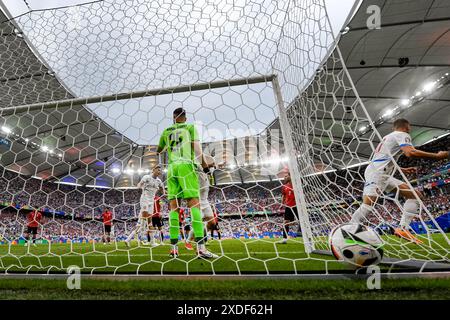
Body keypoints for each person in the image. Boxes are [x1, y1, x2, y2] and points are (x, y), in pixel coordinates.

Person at [350, 118, 449, 244]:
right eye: (409, 127)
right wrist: (436, 156)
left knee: (415, 195)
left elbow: (384, 157)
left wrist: (402, 169)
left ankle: (403, 229)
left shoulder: (388, 137)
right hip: (378, 173)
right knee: (368, 205)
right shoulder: (403, 135)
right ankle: (349, 231)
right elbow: (410, 152)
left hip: (382, 172)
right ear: (407, 127)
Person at [157, 107, 218, 258]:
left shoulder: (166, 130)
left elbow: (159, 150)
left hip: (171, 169)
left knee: (174, 208)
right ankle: (202, 249)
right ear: (185, 117)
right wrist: (205, 167)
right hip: (186, 166)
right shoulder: (190, 127)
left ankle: (173, 249)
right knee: (194, 204)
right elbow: (197, 149)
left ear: (173, 117)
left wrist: (169, 146)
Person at [125, 165, 164, 247]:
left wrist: (167, 193)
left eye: (160, 170)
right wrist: (139, 186)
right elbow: (140, 183)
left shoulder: (159, 181)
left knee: (142, 223)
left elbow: (162, 190)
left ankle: (128, 239)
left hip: (151, 202)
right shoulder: (147, 177)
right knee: (148, 221)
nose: (159, 171)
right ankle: (151, 241)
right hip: (144, 199)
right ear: (153, 170)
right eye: (158, 170)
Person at [278, 172, 299, 244]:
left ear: (291, 176)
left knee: (302, 221)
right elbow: (283, 196)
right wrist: (282, 203)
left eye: (286, 176)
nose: (284, 178)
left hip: (297, 206)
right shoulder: (284, 186)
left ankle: (308, 235)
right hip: (288, 206)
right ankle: (284, 239)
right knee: (285, 223)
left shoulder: (296, 184)